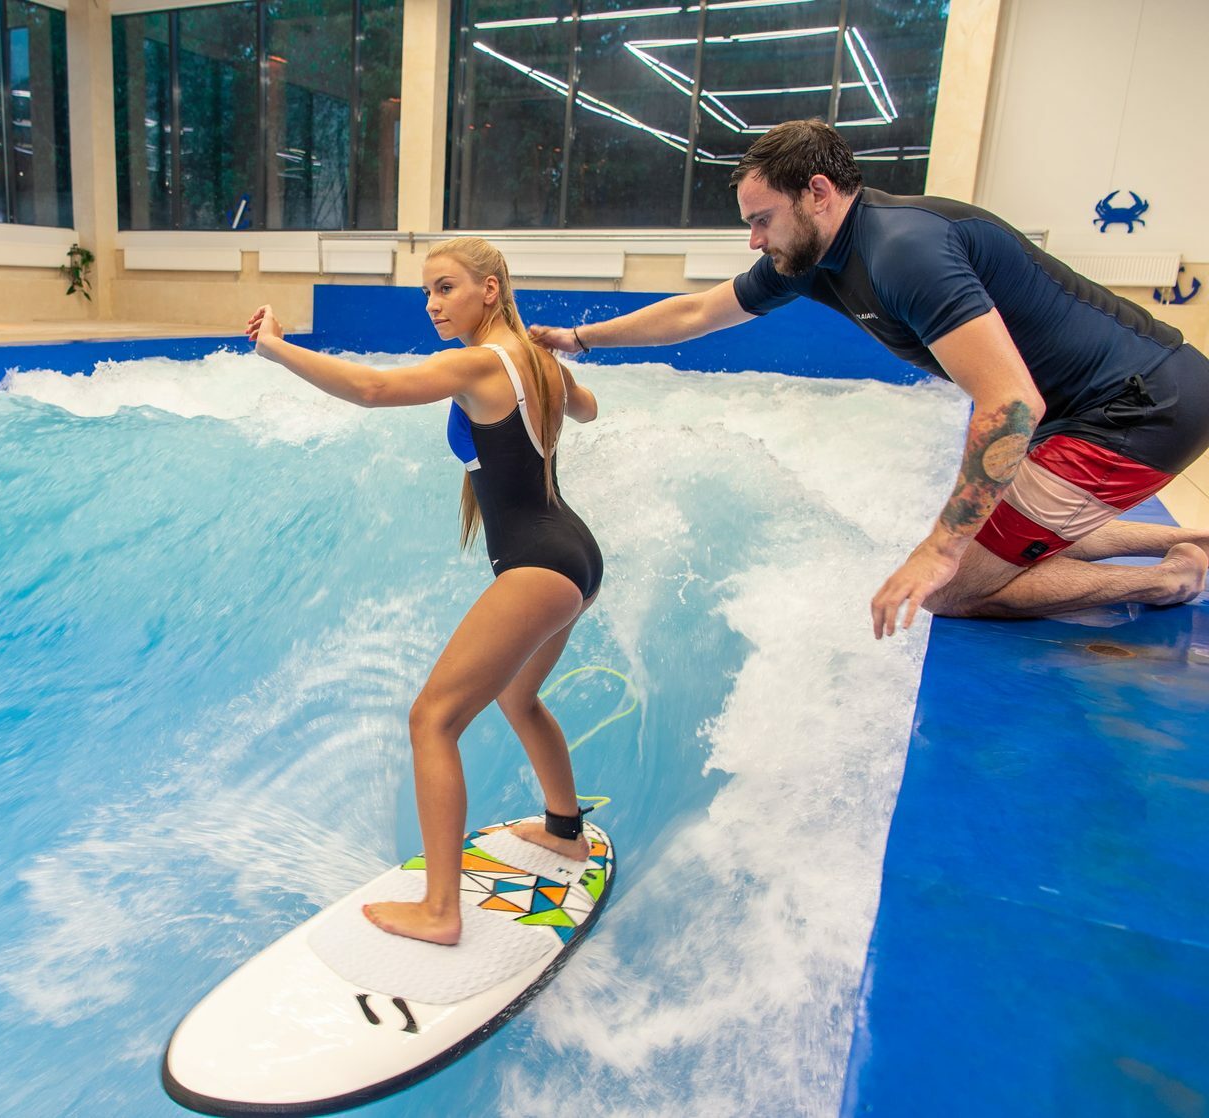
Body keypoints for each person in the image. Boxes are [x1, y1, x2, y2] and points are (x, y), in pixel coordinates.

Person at [530, 119, 1209, 638]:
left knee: (953, 589)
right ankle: (1185, 541)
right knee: (989, 528)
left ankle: (1170, 581)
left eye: (761, 220)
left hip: (1136, 409)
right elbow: (700, 311)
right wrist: (581, 340)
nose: (754, 241)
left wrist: (939, 555)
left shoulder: (904, 250)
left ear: (817, 194)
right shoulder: (815, 258)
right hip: (1097, 404)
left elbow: (1008, 403)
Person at [245, 237, 604, 946]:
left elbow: (374, 389)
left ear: (490, 290)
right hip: (575, 556)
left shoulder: (477, 362)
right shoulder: (534, 361)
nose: (433, 304)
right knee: (517, 697)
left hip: (537, 564)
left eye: (445, 288)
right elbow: (586, 410)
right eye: (427, 293)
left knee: (432, 720)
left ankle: (442, 911)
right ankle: (564, 831)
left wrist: (278, 349)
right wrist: (554, 366)